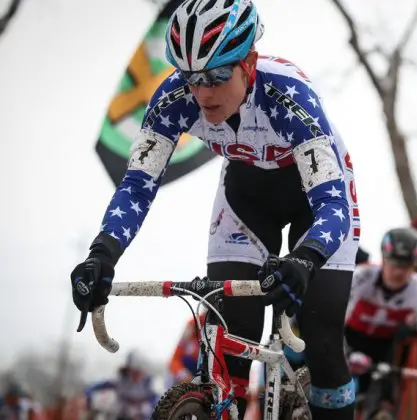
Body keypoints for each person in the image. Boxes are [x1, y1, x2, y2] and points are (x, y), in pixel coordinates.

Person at [69, 1, 360, 417]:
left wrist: (306, 258)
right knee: (227, 338)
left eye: (217, 74)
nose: (202, 91)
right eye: (190, 77)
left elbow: (333, 203)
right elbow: (137, 186)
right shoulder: (174, 99)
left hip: (318, 204)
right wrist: (101, 255)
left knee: (323, 340)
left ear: (249, 63)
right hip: (246, 198)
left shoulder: (288, 95)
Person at [345, 228, 417, 414]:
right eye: (394, 263)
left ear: (415, 265)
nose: (398, 271)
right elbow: (337, 318)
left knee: (382, 403)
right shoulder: (361, 276)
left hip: (384, 348)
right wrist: (345, 353)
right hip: (349, 338)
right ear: (383, 258)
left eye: (406, 265)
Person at [85, 351, 158, 419]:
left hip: (141, 416)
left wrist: (146, 411)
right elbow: (92, 388)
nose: (136, 376)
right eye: (133, 372)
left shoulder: (147, 384)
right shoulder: (119, 380)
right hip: (121, 415)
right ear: (128, 369)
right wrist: (89, 396)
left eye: (138, 372)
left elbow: (156, 400)